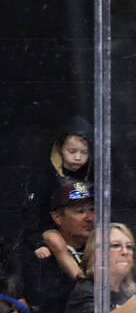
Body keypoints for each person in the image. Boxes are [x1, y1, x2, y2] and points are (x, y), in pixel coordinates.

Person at [21, 181, 96, 313]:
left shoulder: (102, 251)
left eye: (92, 210)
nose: (90, 218)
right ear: (57, 218)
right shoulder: (43, 259)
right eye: (80, 211)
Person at [20, 117, 92, 273]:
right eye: (72, 151)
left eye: (84, 152)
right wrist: (37, 242)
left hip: (84, 229)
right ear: (60, 148)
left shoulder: (92, 174)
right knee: (55, 240)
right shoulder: (45, 177)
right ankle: (80, 278)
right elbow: (32, 212)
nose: (78, 157)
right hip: (52, 228)